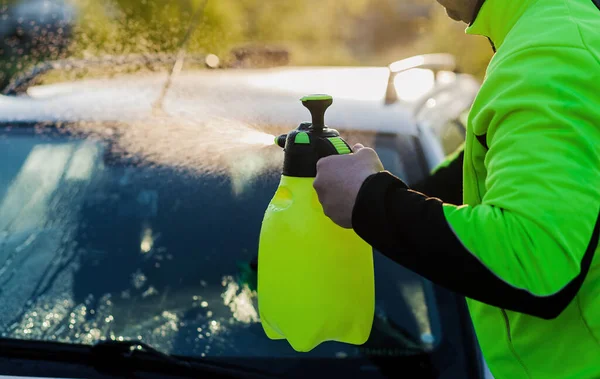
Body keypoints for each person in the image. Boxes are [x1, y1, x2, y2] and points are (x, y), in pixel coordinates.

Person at [313, 0, 600, 378]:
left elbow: (535, 259)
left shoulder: (548, 53)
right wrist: (395, 194)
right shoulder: (558, 28)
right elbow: (484, 159)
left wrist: (370, 199)